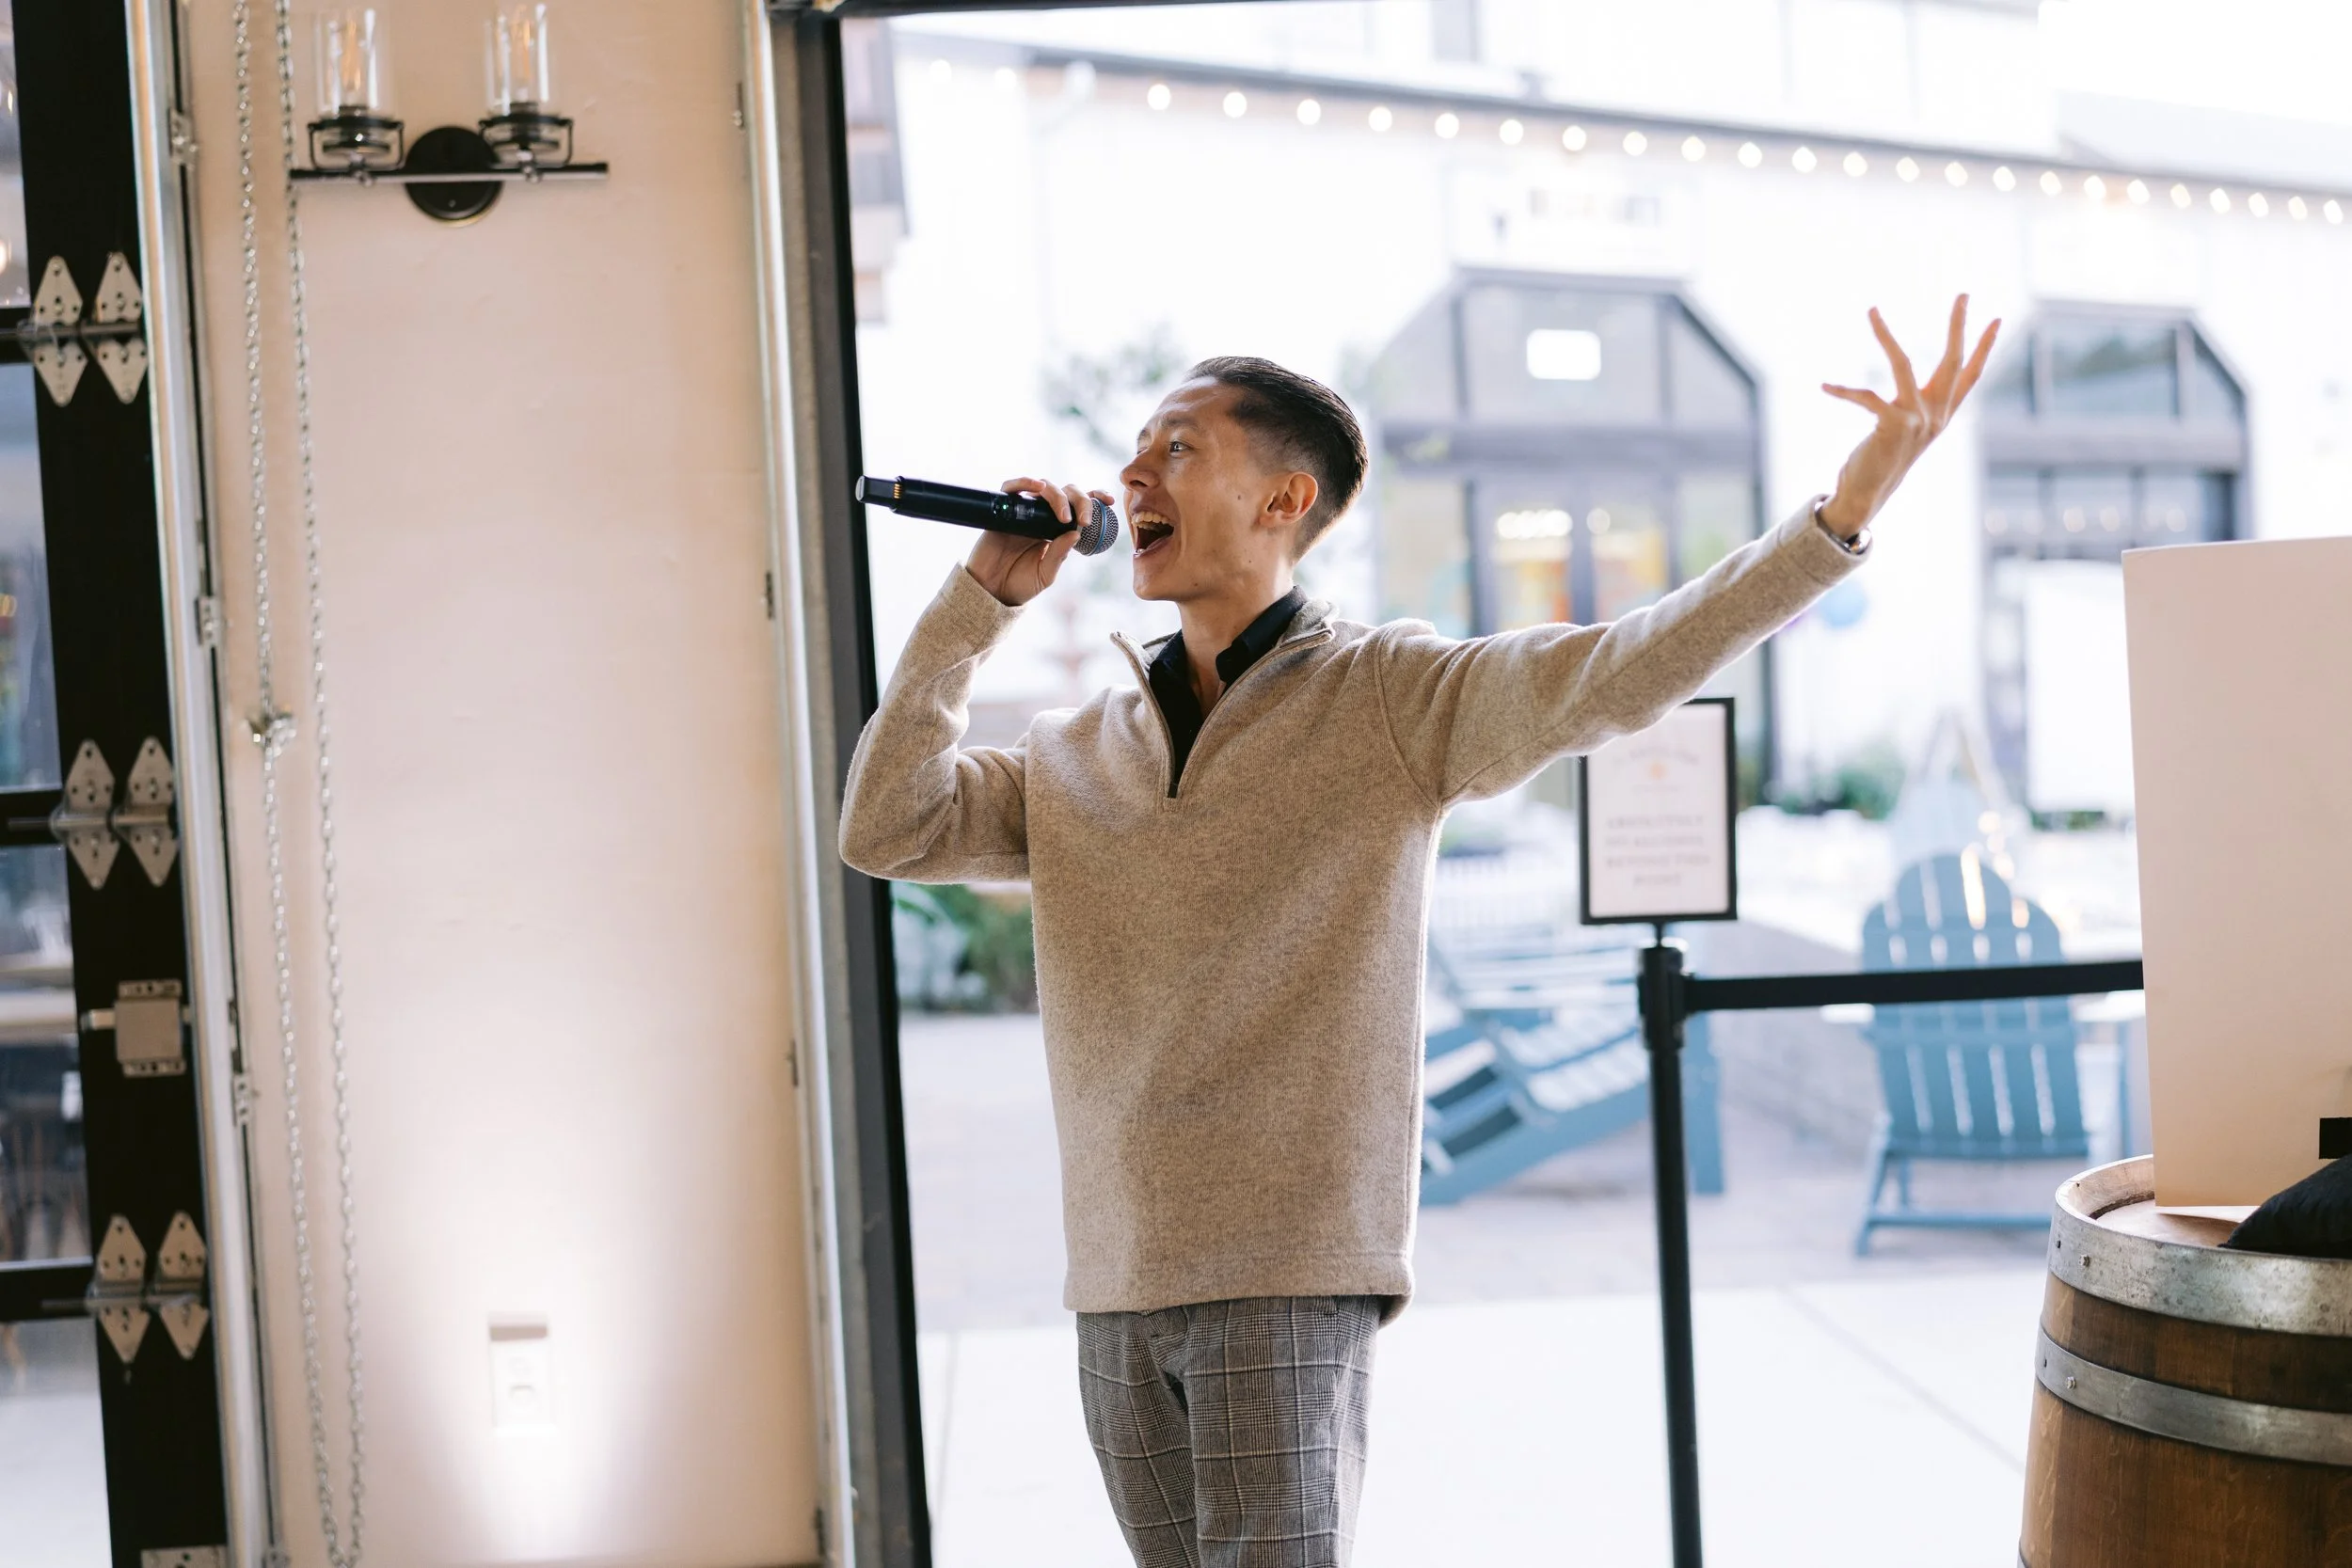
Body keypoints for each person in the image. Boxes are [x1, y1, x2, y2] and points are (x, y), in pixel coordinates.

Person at [840, 297, 1998, 1568]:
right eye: (1133, 447)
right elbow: (886, 826)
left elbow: (1621, 667)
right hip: (1114, 1281)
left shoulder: (1390, 698)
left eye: (1176, 447)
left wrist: (1837, 522)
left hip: (1286, 1269)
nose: (1128, 476)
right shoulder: (1074, 753)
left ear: (1287, 501)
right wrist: (974, 604)